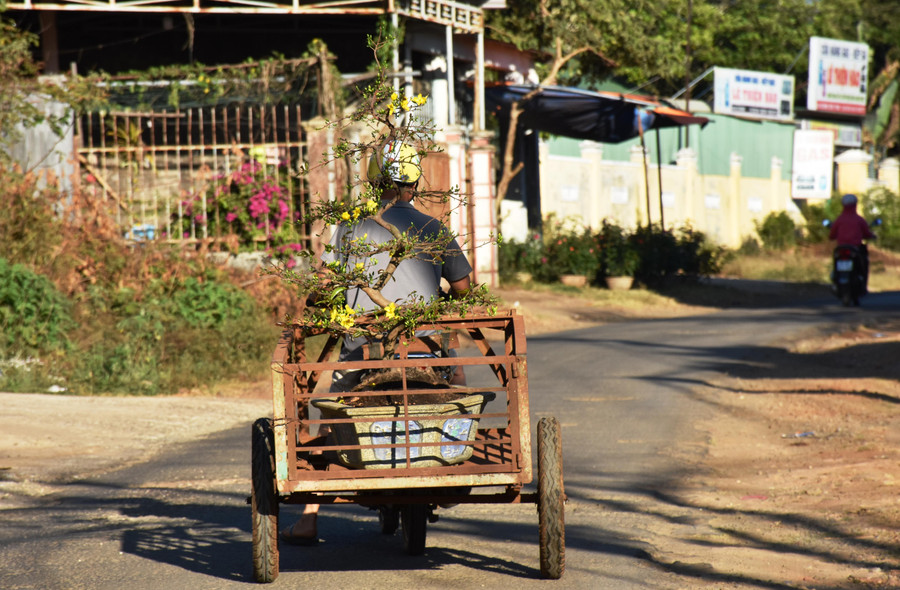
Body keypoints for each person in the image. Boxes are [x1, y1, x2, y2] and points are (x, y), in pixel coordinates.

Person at [279, 141, 473, 546]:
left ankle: (310, 516)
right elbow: (463, 288)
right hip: (424, 347)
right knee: (455, 374)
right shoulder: (434, 227)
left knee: (331, 410)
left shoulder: (349, 228)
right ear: (413, 183)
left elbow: (327, 285)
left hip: (361, 348)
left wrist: (322, 300)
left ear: (373, 181)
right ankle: (455, 442)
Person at [829, 193, 876, 292]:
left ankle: (836, 278)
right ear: (855, 205)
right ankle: (862, 284)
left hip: (841, 248)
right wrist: (872, 236)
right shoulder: (859, 219)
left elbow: (832, 235)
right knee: (864, 263)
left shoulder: (839, 219)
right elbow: (867, 233)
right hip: (855, 247)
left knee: (835, 261)